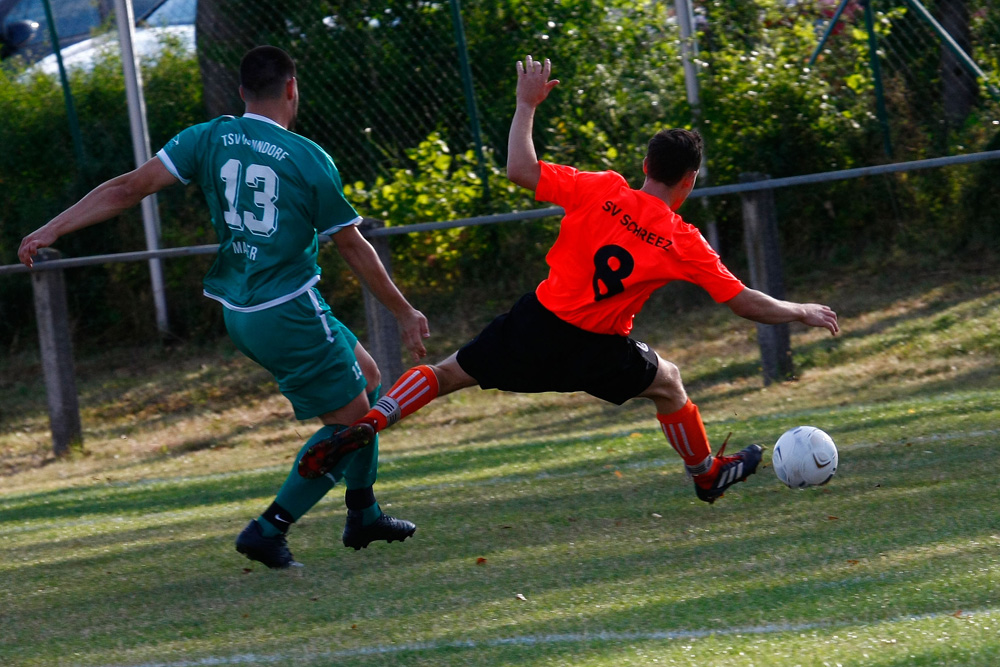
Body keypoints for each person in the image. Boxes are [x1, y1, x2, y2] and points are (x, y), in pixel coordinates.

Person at [298, 55, 840, 505]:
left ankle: (372, 419)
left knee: (443, 375)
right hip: (597, 350)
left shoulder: (600, 188)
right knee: (669, 383)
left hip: (534, 323)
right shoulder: (681, 238)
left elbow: (520, 170)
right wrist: (800, 311)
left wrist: (525, 105)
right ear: (690, 180)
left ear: (644, 164)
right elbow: (743, 302)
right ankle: (704, 473)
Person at [18, 45, 429, 568]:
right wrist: (402, 310)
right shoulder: (308, 156)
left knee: (367, 379)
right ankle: (268, 529)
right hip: (289, 309)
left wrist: (52, 228)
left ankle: (363, 511)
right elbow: (352, 244)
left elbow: (127, 189)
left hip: (240, 310)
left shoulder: (207, 138)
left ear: (241, 92)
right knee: (352, 427)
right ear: (291, 88)